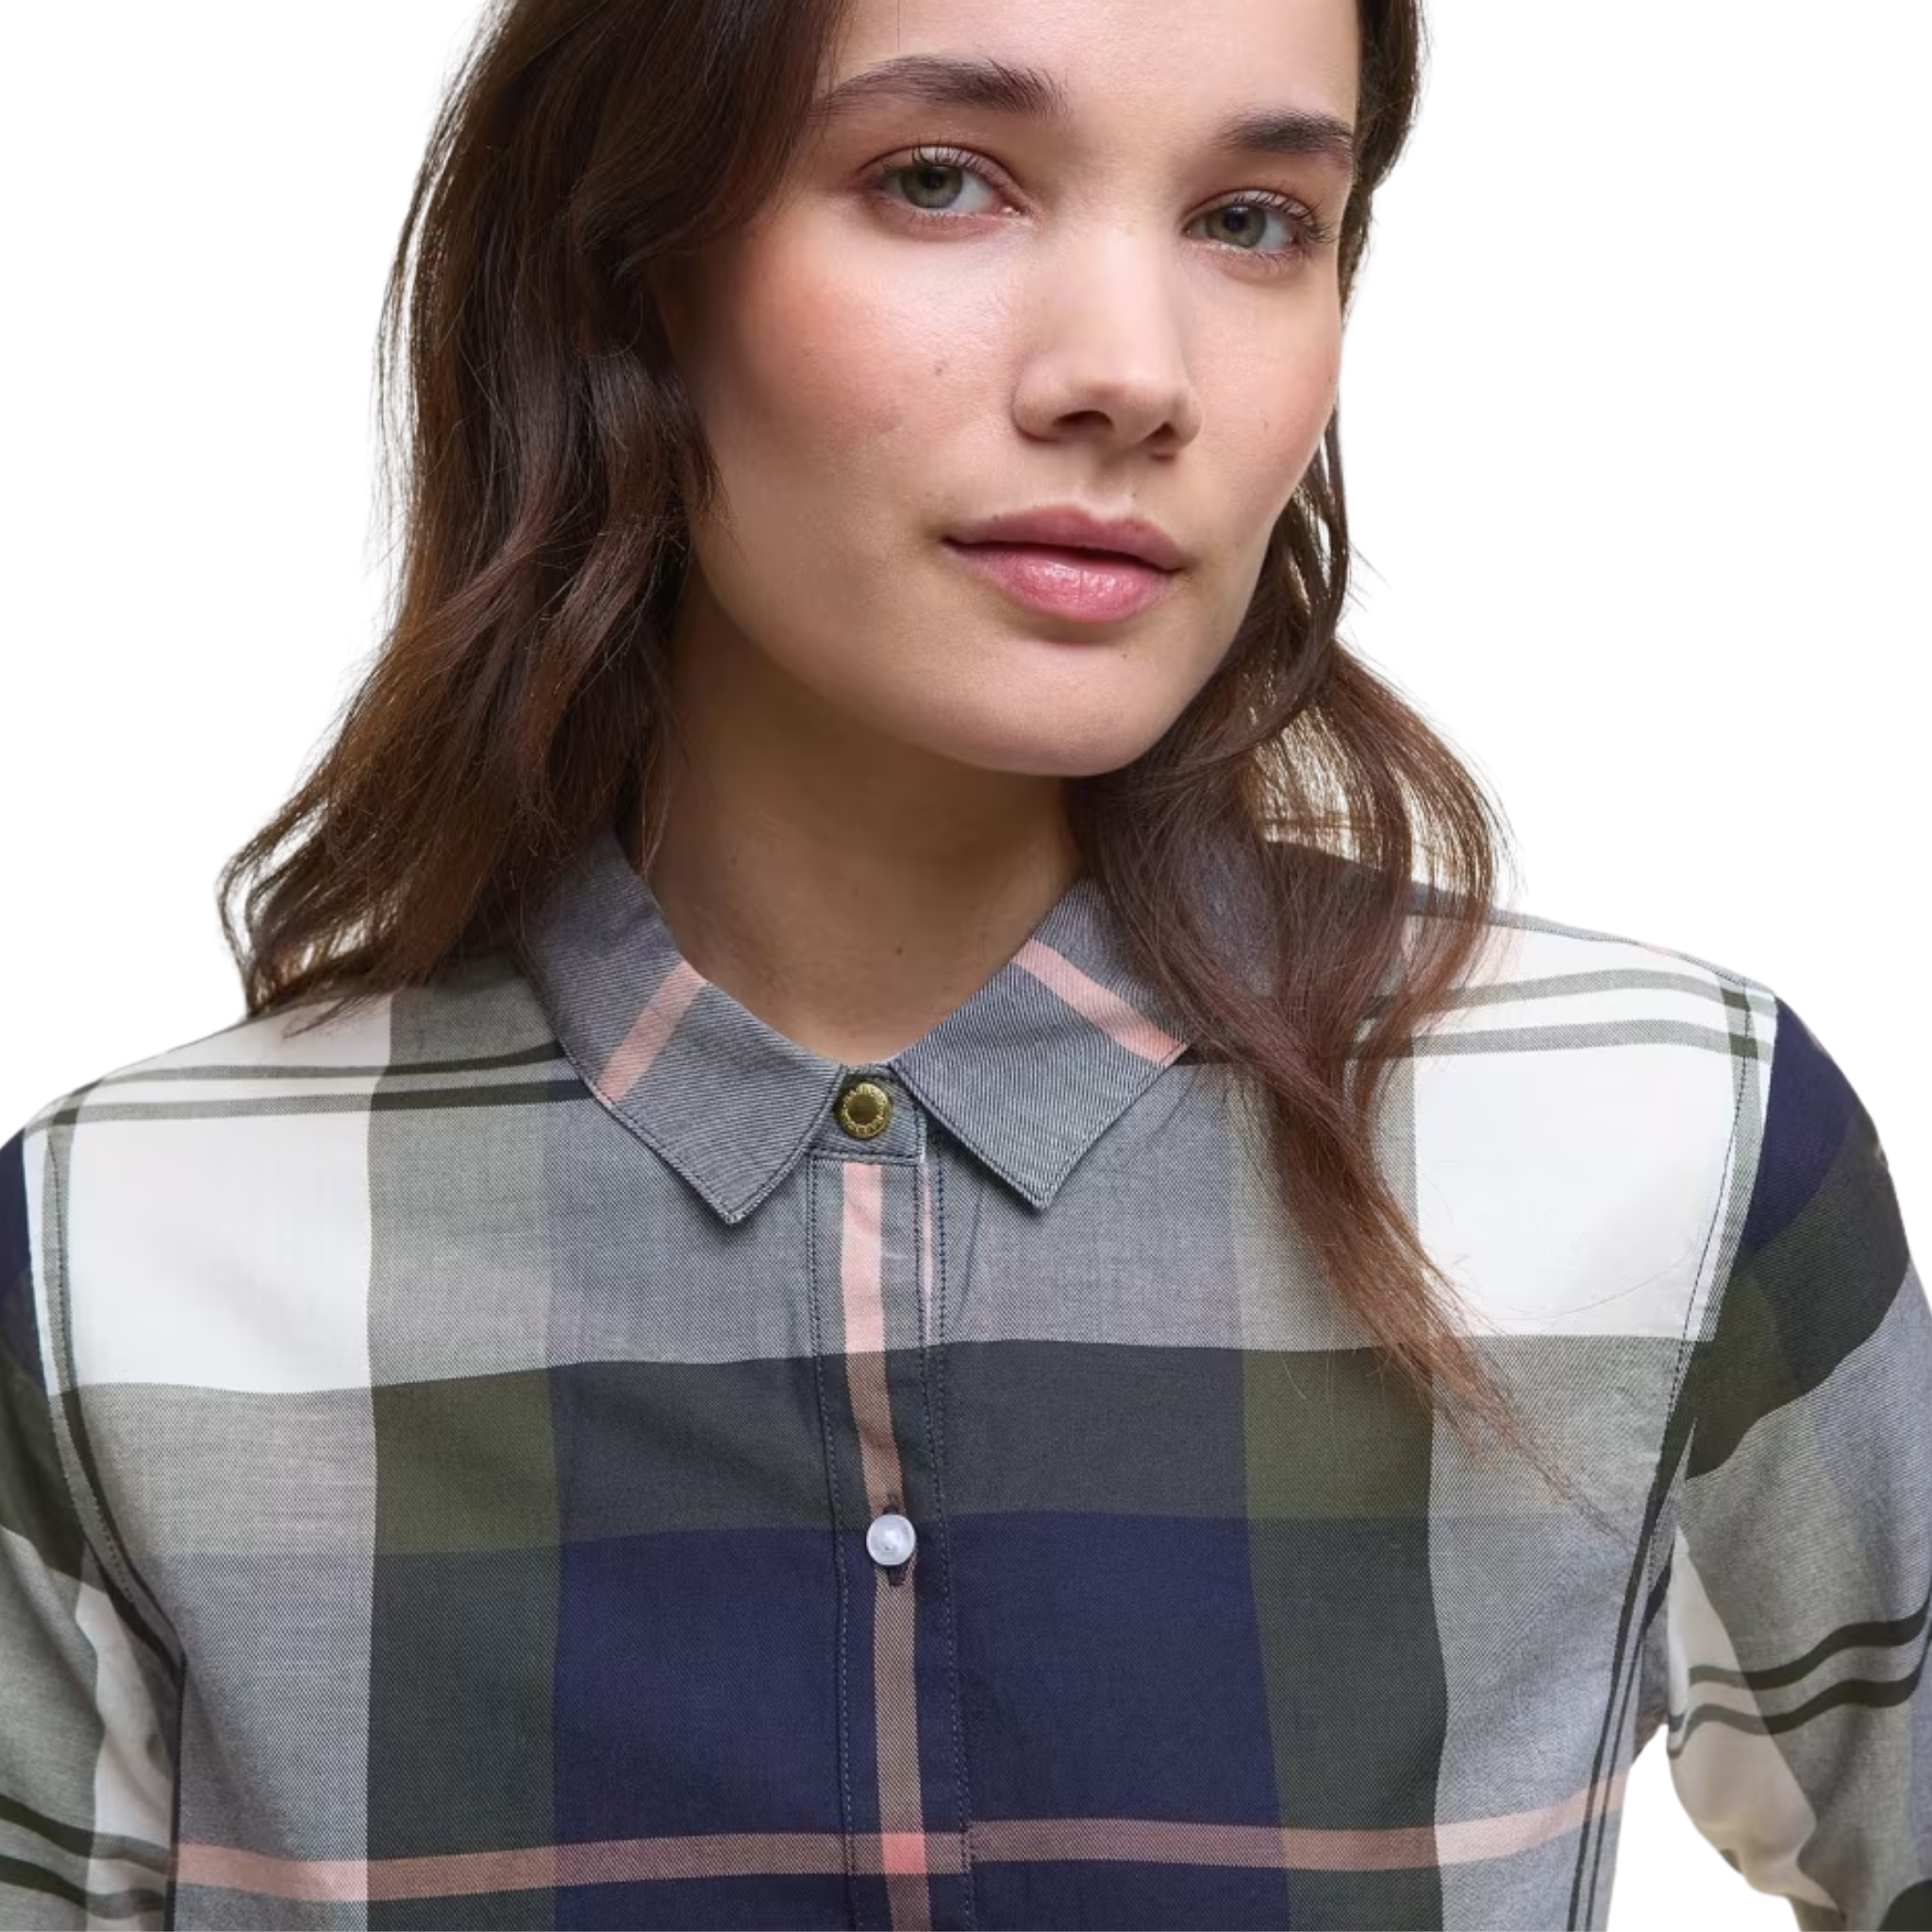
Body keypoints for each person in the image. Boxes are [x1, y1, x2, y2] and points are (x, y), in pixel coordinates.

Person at [2, 0, 1925, 1925]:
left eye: (1253, 219)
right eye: (938, 181)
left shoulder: (1664, 1150)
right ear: (621, 264)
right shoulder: (124, 1270)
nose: (1132, 376)